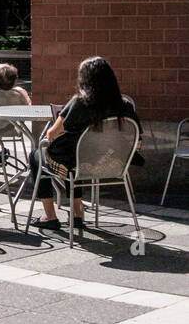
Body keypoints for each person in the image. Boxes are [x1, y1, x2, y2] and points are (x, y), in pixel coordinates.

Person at [28, 56, 139, 232]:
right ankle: (77, 213)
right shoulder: (124, 106)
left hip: (79, 164)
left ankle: (50, 216)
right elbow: (137, 140)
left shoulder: (79, 102)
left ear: (84, 79)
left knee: (36, 156)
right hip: (111, 163)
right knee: (76, 154)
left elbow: (51, 134)